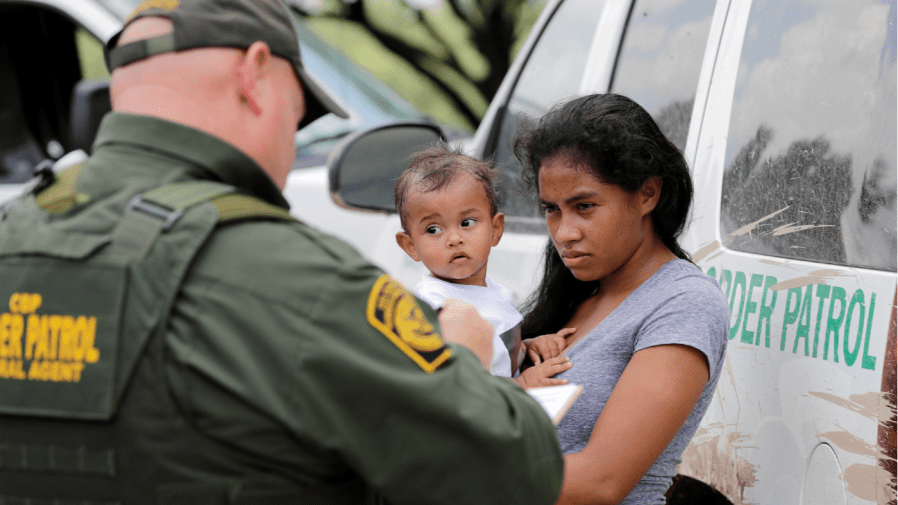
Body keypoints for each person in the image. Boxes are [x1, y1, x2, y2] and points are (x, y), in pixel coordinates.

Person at [0, 1, 564, 504]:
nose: (290, 144)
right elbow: (515, 470)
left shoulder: (13, 235)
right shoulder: (291, 274)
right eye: (296, 118)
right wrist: (465, 360)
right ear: (254, 73)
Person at [513, 93, 729, 504]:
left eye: (585, 206)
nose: (564, 233)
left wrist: (437, 471)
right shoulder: (574, 295)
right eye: (552, 210)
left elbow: (600, 482)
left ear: (647, 194)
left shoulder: (683, 302)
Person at [394, 144, 574, 388]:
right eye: (433, 229)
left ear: (496, 229)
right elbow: (460, 390)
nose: (454, 239)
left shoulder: (494, 291)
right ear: (410, 246)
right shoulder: (436, 310)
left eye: (467, 222)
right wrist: (522, 384)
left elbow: (497, 356)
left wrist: (528, 348)